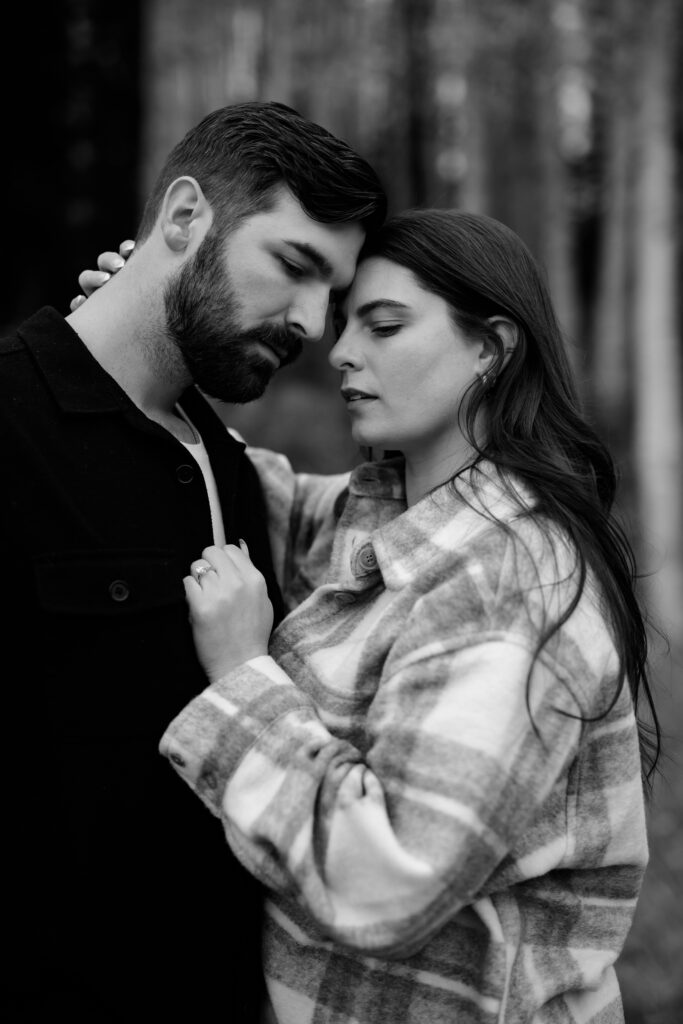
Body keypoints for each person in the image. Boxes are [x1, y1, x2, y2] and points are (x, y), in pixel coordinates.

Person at [153, 210, 659, 1023]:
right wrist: (137, 351)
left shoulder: (507, 583)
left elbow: (388, 882)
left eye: (384, 325)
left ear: (492, 348)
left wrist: (242, 678)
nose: (342, 350)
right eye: (347, 322)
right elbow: (254, 494)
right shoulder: (394, 514)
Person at [0, 100, 386, 1021]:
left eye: (332, 291)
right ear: (183, 219)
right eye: (294, 266)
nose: (311, 321)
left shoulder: (223, 464)